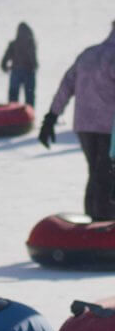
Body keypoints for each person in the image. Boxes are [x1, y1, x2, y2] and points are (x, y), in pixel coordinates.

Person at [39, 22, 115, 220]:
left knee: (97, 173)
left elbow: (66, 85)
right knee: (105, 176)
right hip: (109, 127)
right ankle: (103, 227)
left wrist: (51, 117)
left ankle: (93, 223)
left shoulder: (88, 55)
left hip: (85, 125)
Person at [0, 23, 38, 107]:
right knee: (29, 98)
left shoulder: (13, 44)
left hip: (16, 71)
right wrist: (35, 66)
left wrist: (4, 67)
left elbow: (4, 60)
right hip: (28, 72)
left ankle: (12, 114)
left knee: (13, 97)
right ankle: (29, 115)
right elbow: (33, 59)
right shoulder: (30, 43)